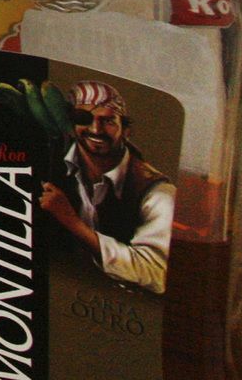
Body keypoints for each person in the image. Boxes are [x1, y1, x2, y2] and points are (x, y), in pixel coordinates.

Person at [38, 79, 174, 294]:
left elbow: (155, 272)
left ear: (126, 129)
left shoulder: (156, 192)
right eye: (84, 118)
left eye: (108, 121)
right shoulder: (47, 166)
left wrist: (73, 222)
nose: (95, 129)